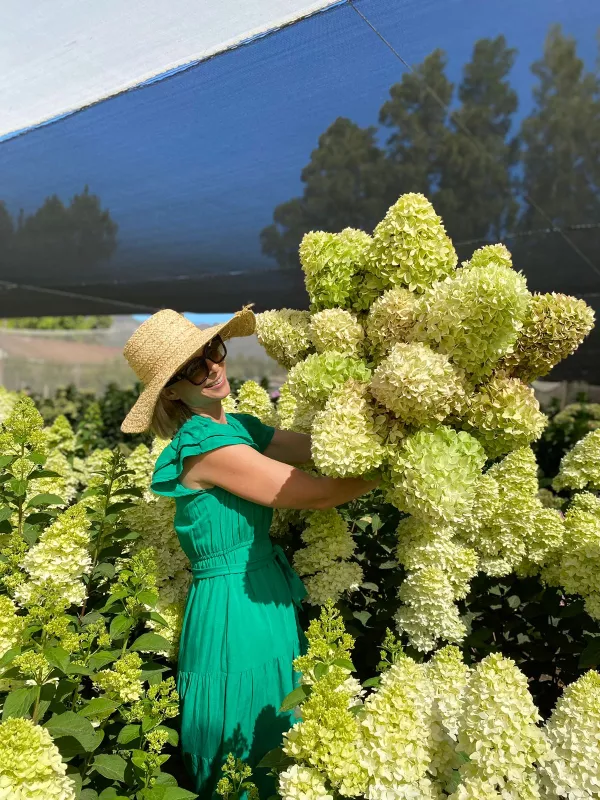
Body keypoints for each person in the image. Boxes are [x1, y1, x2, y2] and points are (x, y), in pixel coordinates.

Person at [121, 307, 378, 798]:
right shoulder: (206, 447)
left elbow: (316, 447)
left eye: (213, 352)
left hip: (263, 591)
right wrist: (390, 472)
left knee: (283, 719)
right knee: (246, 738)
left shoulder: (237, 426)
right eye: (194, 367)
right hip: (233, 607)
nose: (213, 368)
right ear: (172, 390)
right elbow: (315, 492)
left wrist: (383, 423)